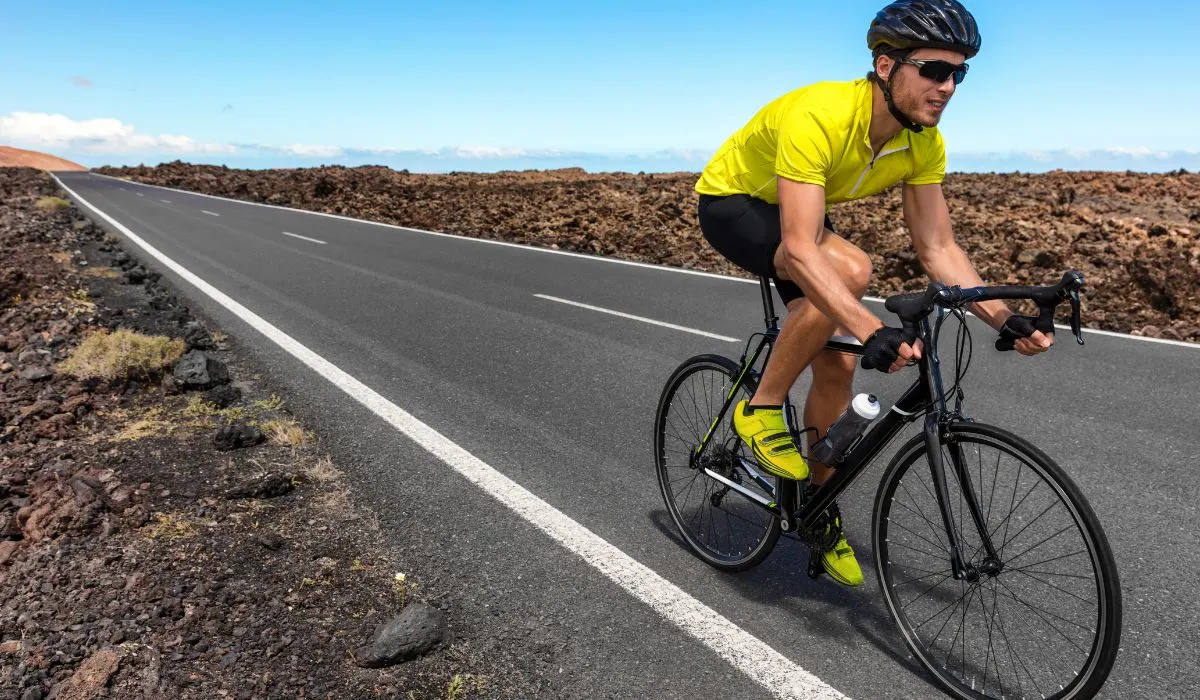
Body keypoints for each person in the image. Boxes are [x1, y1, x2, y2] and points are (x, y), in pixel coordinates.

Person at [694, 0, 1054, 587]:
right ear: (886, 67)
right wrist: (871, 328)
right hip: (735, 203)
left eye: (958, 74)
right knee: (853, 269)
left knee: (837, 369)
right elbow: (798, 251)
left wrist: (1004, 319)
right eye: (934, 70)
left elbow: (939, 249)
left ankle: (816, 513)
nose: (948, 87)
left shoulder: (922, 143)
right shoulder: (820, 115)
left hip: (798, 219)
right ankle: (758, 409)